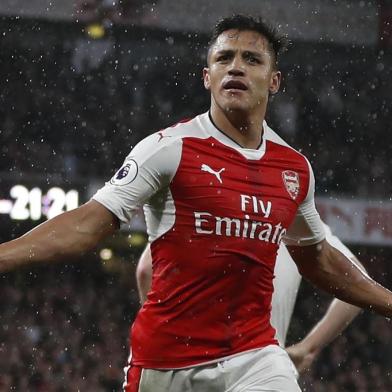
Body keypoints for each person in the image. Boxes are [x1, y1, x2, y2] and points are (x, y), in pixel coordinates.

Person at [1, 14, 392, 392]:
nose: (235, 67)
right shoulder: (168, 149)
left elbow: (319, 259)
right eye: (224, 58)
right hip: (165, 362)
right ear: (208, 77)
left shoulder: (294, 169)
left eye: (251, 59)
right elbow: (87, 225)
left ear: (274, 81)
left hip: (254, 356)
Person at [135, 223, 365, 375]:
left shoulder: (197, 207)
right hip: (261, 370)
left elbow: (146, 270)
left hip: (187, 366)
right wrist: (308, 348)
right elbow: (357, 282)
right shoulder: (291, 217)